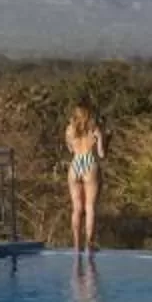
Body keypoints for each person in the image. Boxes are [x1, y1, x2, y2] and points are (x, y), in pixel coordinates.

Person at [63, 105, 105, 255]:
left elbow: (71, 150)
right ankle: (89, 244)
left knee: (77, 208)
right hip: (89, 162)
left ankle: (76, 244)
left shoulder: (69, 129)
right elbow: (101, 154)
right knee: (90, 207)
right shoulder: (94, 129)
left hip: (75, 164)